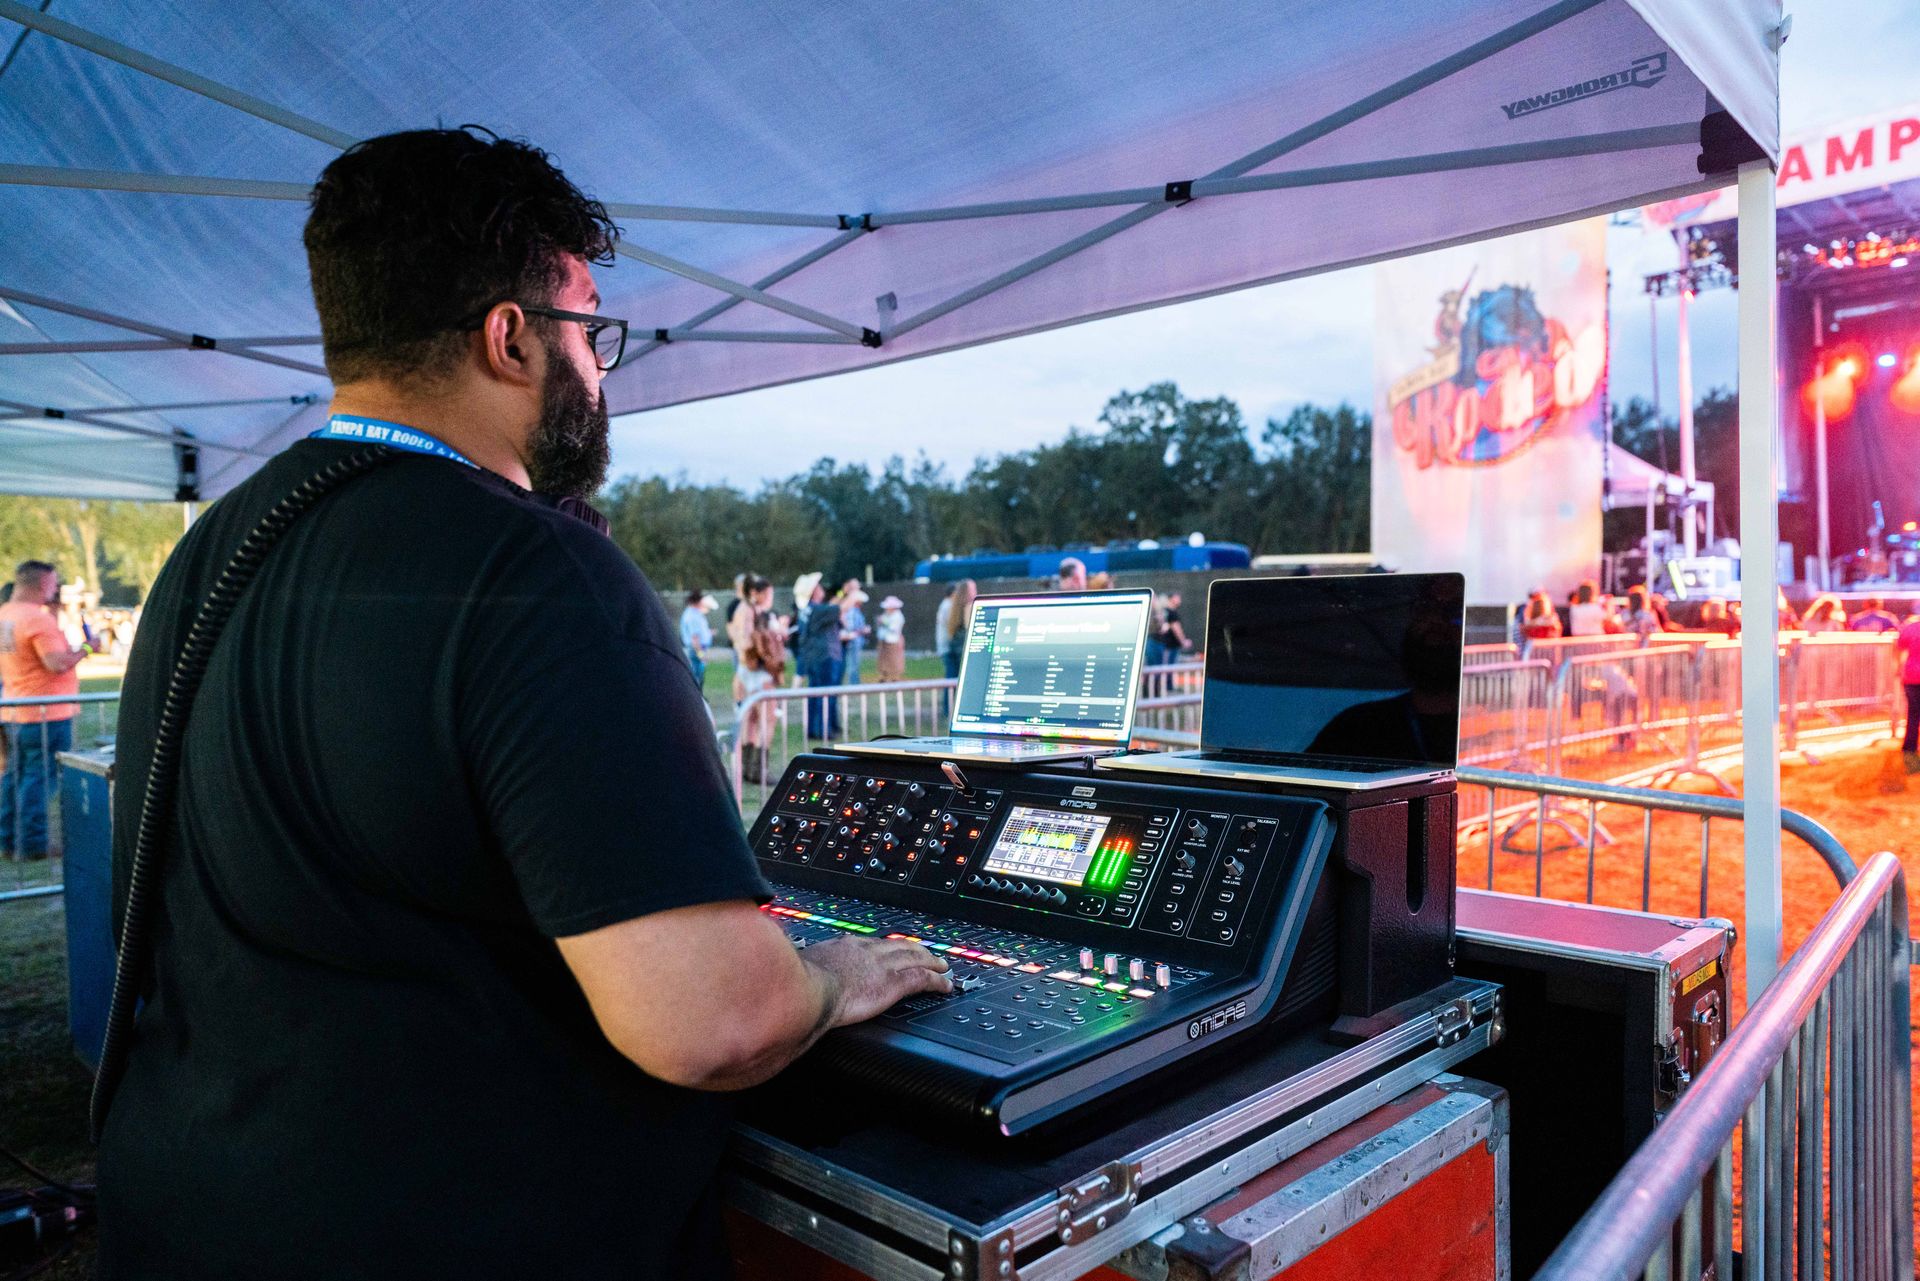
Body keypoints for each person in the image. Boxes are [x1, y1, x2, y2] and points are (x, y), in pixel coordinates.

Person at [96, 129, 948, 1281]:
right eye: (592, 330)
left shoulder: (216, 550)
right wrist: (835, 975)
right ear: (511, 337)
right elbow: (712, 1023)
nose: (600, 368)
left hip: (199, 1216)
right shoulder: (538, 573)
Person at [0, 562, 90, 860]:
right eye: (52, 585)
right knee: (38, 780)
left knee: (15, 777)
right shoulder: (36, 621)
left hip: (15, 710)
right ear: (41, 585)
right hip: (47, 713)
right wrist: (88, 649)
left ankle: (9, 840)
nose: (54, 591)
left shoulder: (5, 615)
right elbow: (56, 663)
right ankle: (34, 844)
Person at [737, 605, 788, 785]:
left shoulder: (749, 633)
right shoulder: (766, 635)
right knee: (767, 721)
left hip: (746, 675)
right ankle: (758, 770)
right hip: (762, 678)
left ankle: (746, 768)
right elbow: (776, 661)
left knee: (751, 720)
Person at [797, 576, 844, 739]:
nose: (821, 588)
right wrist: (849, 593)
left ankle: (813, 728)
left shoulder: (806, 610)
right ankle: (824, 730)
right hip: (826, 656)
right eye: (818, 586)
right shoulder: (817, 609)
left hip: (813, 657)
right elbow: (840, 608)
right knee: (827, 694)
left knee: (815, 694)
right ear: (814, 591)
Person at [679, 591, 716, 687]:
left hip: (697, 648)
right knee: (697, 677)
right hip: (696, 649)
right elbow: (695, 637)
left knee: (699, 676)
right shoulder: (692, 616)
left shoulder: (694, 614)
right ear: (698, 601)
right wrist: (700, 654)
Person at [838, 580, 870, 685]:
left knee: (853, 663)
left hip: (855, 639)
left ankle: (854, 683)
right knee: (853, 663)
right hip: (853, 640)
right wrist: (862, 630)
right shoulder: (851, 610)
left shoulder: (856, 610)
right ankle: (854, 684)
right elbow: (850, 627)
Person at [1899, 610, 1920, 771]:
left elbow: (1901, 653)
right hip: (1912, 675)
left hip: (1911, 676)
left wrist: (1899, 672)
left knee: (1913, 715)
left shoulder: (1910, 627)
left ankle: (1909, 748)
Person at [874, 595, 906, 682]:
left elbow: (893, 628)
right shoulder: (886, 614)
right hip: (884, 639)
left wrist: (883, 621)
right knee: (883, 659)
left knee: (894, 659)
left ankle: (895, 677)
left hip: (893, 640)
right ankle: (884, 676)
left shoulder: (898, 616)